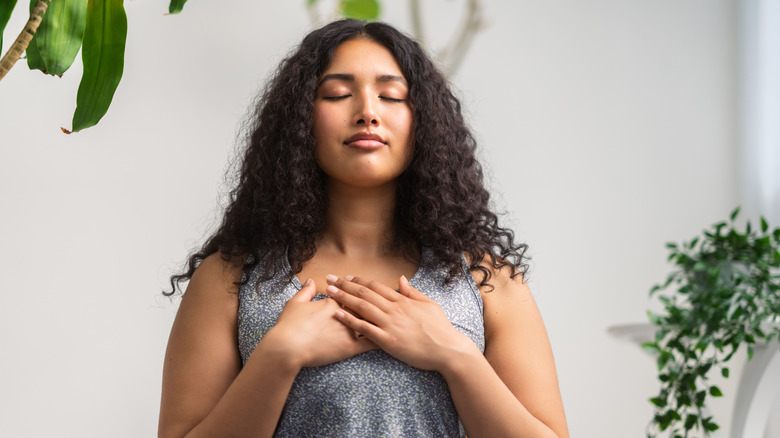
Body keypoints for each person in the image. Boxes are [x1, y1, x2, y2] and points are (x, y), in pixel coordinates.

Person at [158, 19, 569, 438]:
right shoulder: (229, 278)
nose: (367, 113)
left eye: (391, 95)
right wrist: (279, 356)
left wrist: (454, 354)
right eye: (338, 94)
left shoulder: (488, 281)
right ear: (300, 119)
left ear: (422, 121)